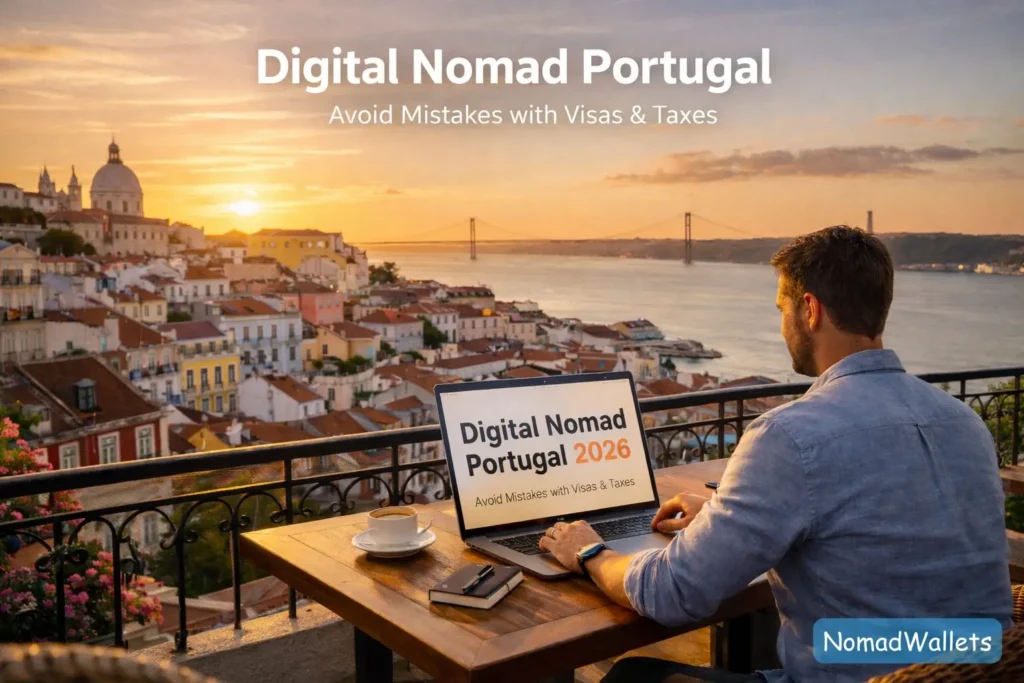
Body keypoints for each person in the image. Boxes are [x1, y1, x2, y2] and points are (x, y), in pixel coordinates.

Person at [539, 226, 1012, 682]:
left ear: (810, 310)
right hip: (981, 671)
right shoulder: (965, 424)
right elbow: (880, 520)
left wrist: (589, 550)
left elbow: (673, 591)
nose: (783, 325)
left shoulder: (791, 434)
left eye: (782, 308)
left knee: (633, 675)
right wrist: (727, 516)